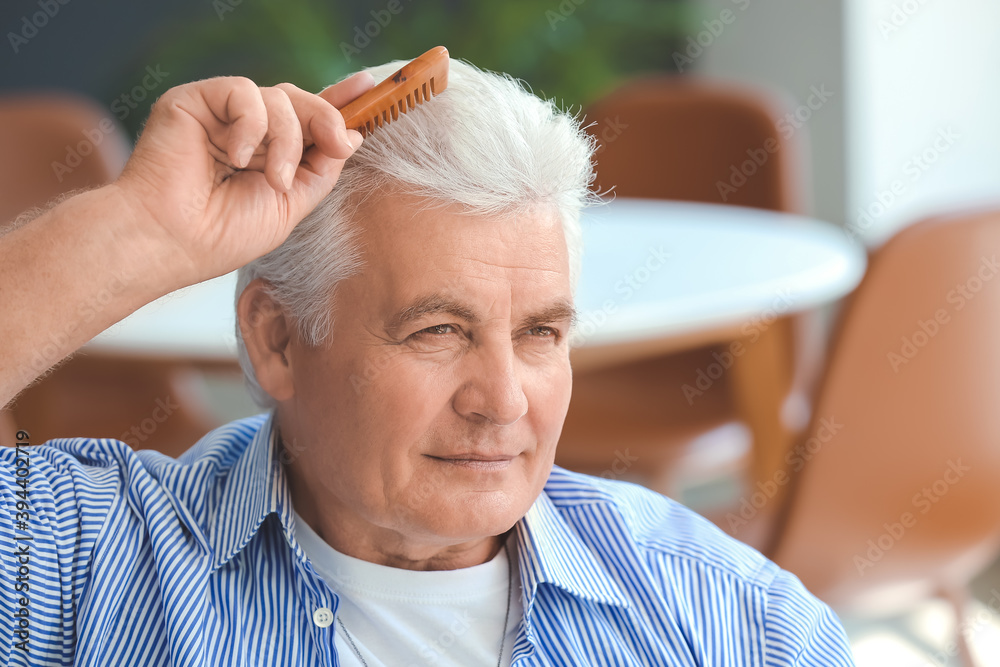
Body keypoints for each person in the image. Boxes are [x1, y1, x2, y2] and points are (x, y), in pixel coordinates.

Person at [0, 57, 856, 666]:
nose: (503, 401)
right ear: (277, 339)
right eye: (438, 331)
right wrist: (141, 227)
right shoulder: (97, 563)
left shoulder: (737, 624)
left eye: (540, 334)